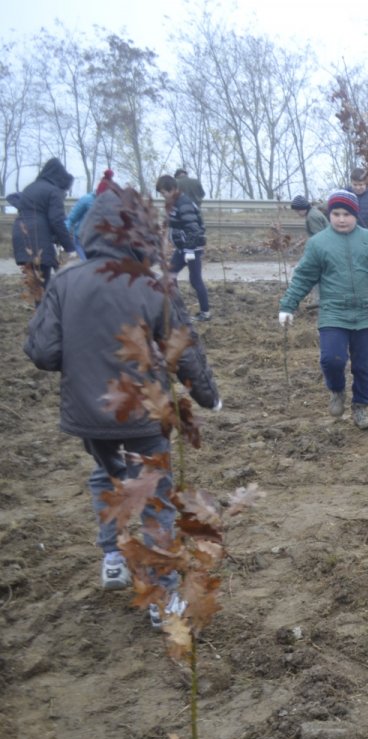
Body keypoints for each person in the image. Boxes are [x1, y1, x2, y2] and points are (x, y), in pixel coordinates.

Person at [23, 183, 221, 629]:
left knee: (107, 475)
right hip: (145, 414)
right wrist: (208, 396)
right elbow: (182, 351)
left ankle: (113, 555)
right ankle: (162, 596)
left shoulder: (67, 280)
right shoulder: (152, 284)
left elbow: (43, 352)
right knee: (154, 496)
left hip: (90, 416)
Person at [278, 190, 368, 430]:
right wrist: (288, 305)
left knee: (364, 365)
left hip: (367, 313)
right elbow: (304, 277)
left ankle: (360, 408)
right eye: (336, 214)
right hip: (333, 313)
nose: (341, 219)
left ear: (355, 214)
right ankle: (337, 390)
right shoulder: (318, 243)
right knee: (332, 359)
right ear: (329, 214)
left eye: (346, 214)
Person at [11, 157, 76, 290]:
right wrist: (70, 247)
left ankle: (40, 302)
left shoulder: (30, 188)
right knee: (44, 285)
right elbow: (57, 221)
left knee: (36, 286)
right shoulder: (53, 191)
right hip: (38, 240)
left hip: (21, 235)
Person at [155, 174, 212, 321]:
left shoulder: (184, 203)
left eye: (163, 193)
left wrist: (189, 250)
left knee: (195, 280)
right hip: (182, 248)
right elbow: (172, 224)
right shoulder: (174, 203)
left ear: (172, 189)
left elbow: (194, 229)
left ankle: (205, 313)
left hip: (192, 248)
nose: (162, 196)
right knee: (170, 276)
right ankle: (177, 309)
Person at [291, 195, 329, 308]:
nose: (297, 213)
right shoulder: (313, 213)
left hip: (322, 250)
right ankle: (320, 299)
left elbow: (319, 237)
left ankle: (319, 300)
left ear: (302, 208)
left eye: (297, 211)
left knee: (311, 272)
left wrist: (314, 255)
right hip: (324, 248)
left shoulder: (312, 217)